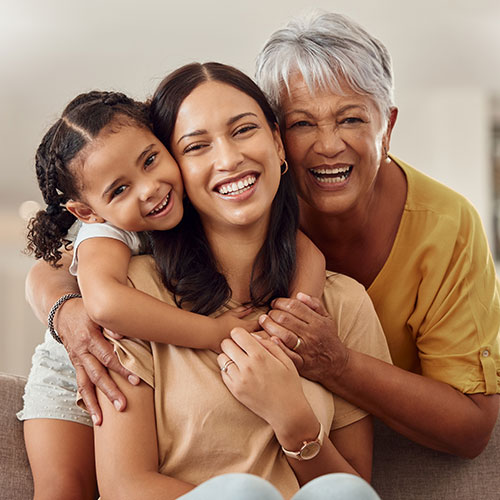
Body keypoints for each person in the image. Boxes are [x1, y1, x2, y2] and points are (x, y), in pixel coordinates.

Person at [91, 61, 390, 499]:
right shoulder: (138, 292)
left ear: (278, 143)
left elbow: (354, 487)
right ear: (175, 171)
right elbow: (123, 486)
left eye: (244, 130)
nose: (229, 159)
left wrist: (291, 418)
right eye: (196, 147)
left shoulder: (343, 302)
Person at [19, 89, 325, 499]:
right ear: (87, 212)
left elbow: (304, 249)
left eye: (150, 160)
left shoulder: (196, 196)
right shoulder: (104, 233)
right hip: (76, 362)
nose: (148, 189)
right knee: (63, 490)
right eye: (119, 190)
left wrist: (290, 328)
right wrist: (216, 334)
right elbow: (106, 304)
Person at [252, 11, 500, 458]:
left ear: (387, 127)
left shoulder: (448, 225)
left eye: (350, 120)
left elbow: (472, 428)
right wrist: (77, 296)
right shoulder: (246, 203)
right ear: (275, 137)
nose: (328, 145)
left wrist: (338, 364)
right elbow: (128, 221)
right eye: (302, 123)